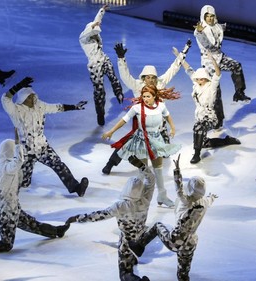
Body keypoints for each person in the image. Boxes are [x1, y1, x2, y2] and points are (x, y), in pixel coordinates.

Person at [101, 39, 191, 175]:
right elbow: (125, 76)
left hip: (158, 122)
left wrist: (183, 52)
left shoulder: (159, 84)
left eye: (153, 77)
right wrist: (121, 59)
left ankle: (158, 150)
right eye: (148, 77)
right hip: (141, 122)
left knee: (162, 148)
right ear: (143, 78)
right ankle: (111, 163)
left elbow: (173, 69)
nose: (151, 80)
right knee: (129, 143)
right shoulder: (137, 85)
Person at [128, 154, 218, 281]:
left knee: (157, 226)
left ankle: (139, 246)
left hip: (175, 240)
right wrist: (212, 197)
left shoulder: (186, 200)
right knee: (183, 274)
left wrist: (177, 172)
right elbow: (209, 200)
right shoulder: (204, 202)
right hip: (190, 243)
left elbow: (179, 189)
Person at [65, 155, 151, 281]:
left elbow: (99, 215)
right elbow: (151, 180)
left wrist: (78, 218)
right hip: (141, 237)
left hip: (127, 242)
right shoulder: (145, 199)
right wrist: (142, 167)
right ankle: (133, 259)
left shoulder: (121, 206)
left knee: (124, 273)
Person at [1, 76, 89, 197]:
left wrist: (74, 107)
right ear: (22, 98)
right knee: (24, 183)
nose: (32, 98)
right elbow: (5, 99)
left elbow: (56, 108)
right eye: (29, 96)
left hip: (42, 147)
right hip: (25, 151)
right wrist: (18, 86)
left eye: (33, 95)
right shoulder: (15, 110)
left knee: (58, 165)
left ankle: (76, 188)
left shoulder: (39, 106)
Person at [102, 84, 181, 207]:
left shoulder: (161, 106)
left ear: (154, 96)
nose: (145, 99)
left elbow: (168, 116)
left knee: (158, 169)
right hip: (141, 140)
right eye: (144, 96)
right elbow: (124, 119)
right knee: (143, 170)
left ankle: (162, 195)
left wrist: (173, 128)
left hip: (156, 139)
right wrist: (111, 131)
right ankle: (138, 196)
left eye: (148, 96)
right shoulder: (137, 108)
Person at [0, 129, 69, 252]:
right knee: (21, 232)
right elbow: (19, 164)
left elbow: (20, 169)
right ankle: (56, 231)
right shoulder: (6, 167)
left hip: (10, 207)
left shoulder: (8, 168)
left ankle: (56, 231)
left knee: (24, 229)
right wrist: (18, 145)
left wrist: (18, 146)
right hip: (7, 208)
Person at [174, 48, 241, 164]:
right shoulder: (196, 85)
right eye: (198, 78)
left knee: (198, 128)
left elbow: (218, 73)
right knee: (203, 142)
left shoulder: (212, 86)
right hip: (199, 116)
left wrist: (212, 60)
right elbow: (188, 69)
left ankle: (196, 155)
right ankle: (226, 141)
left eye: (202, 78)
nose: (200, 80)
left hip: (210, 117)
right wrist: (179, 56)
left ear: (206, 78)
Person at [194, 5, 251, 128]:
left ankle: (239, 92)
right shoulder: (200, 29)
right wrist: (199, 32)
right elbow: (207, 44)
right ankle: (218, 120)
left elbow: (222, 27)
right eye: (207, 16)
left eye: (211, 16)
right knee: (216, 93)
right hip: (209, 61)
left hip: (219, 56)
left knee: (236, 65)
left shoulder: (217, 26)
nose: (209, 18)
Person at [79, 4, 124, 126]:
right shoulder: (83, 38)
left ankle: (119, 92)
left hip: (103, 59)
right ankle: (100, 113)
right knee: (99, 91)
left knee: (112, 76)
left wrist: (102, 11)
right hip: (94, 65)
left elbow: (96, 21)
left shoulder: (95, 33)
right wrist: (94, 25)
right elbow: (91, 27)